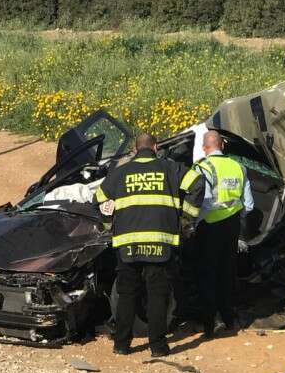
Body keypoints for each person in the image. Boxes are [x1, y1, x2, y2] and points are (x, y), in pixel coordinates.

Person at [95, 132, 204, 357]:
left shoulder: (119, 173)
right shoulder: (170, 168)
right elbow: (197, 183)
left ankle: (122, 345)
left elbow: (100, 197)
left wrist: (108, 226)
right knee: (157, 296)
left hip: (128, 245)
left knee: (127, 295)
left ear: (135, 150)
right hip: (160, 244)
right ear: (155, 148)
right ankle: (158, 346)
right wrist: (186, 219)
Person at [193, 130, 254, 338]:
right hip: (232, 226)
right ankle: (228, 319)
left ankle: (209, 325)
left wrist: (193, 224)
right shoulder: (239, 167)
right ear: (223, 146)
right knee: (227, 272)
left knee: (207, 274)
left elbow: (205, 201)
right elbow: (250, 205)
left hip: (209, 227)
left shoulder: (202, 167)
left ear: (204, 148)